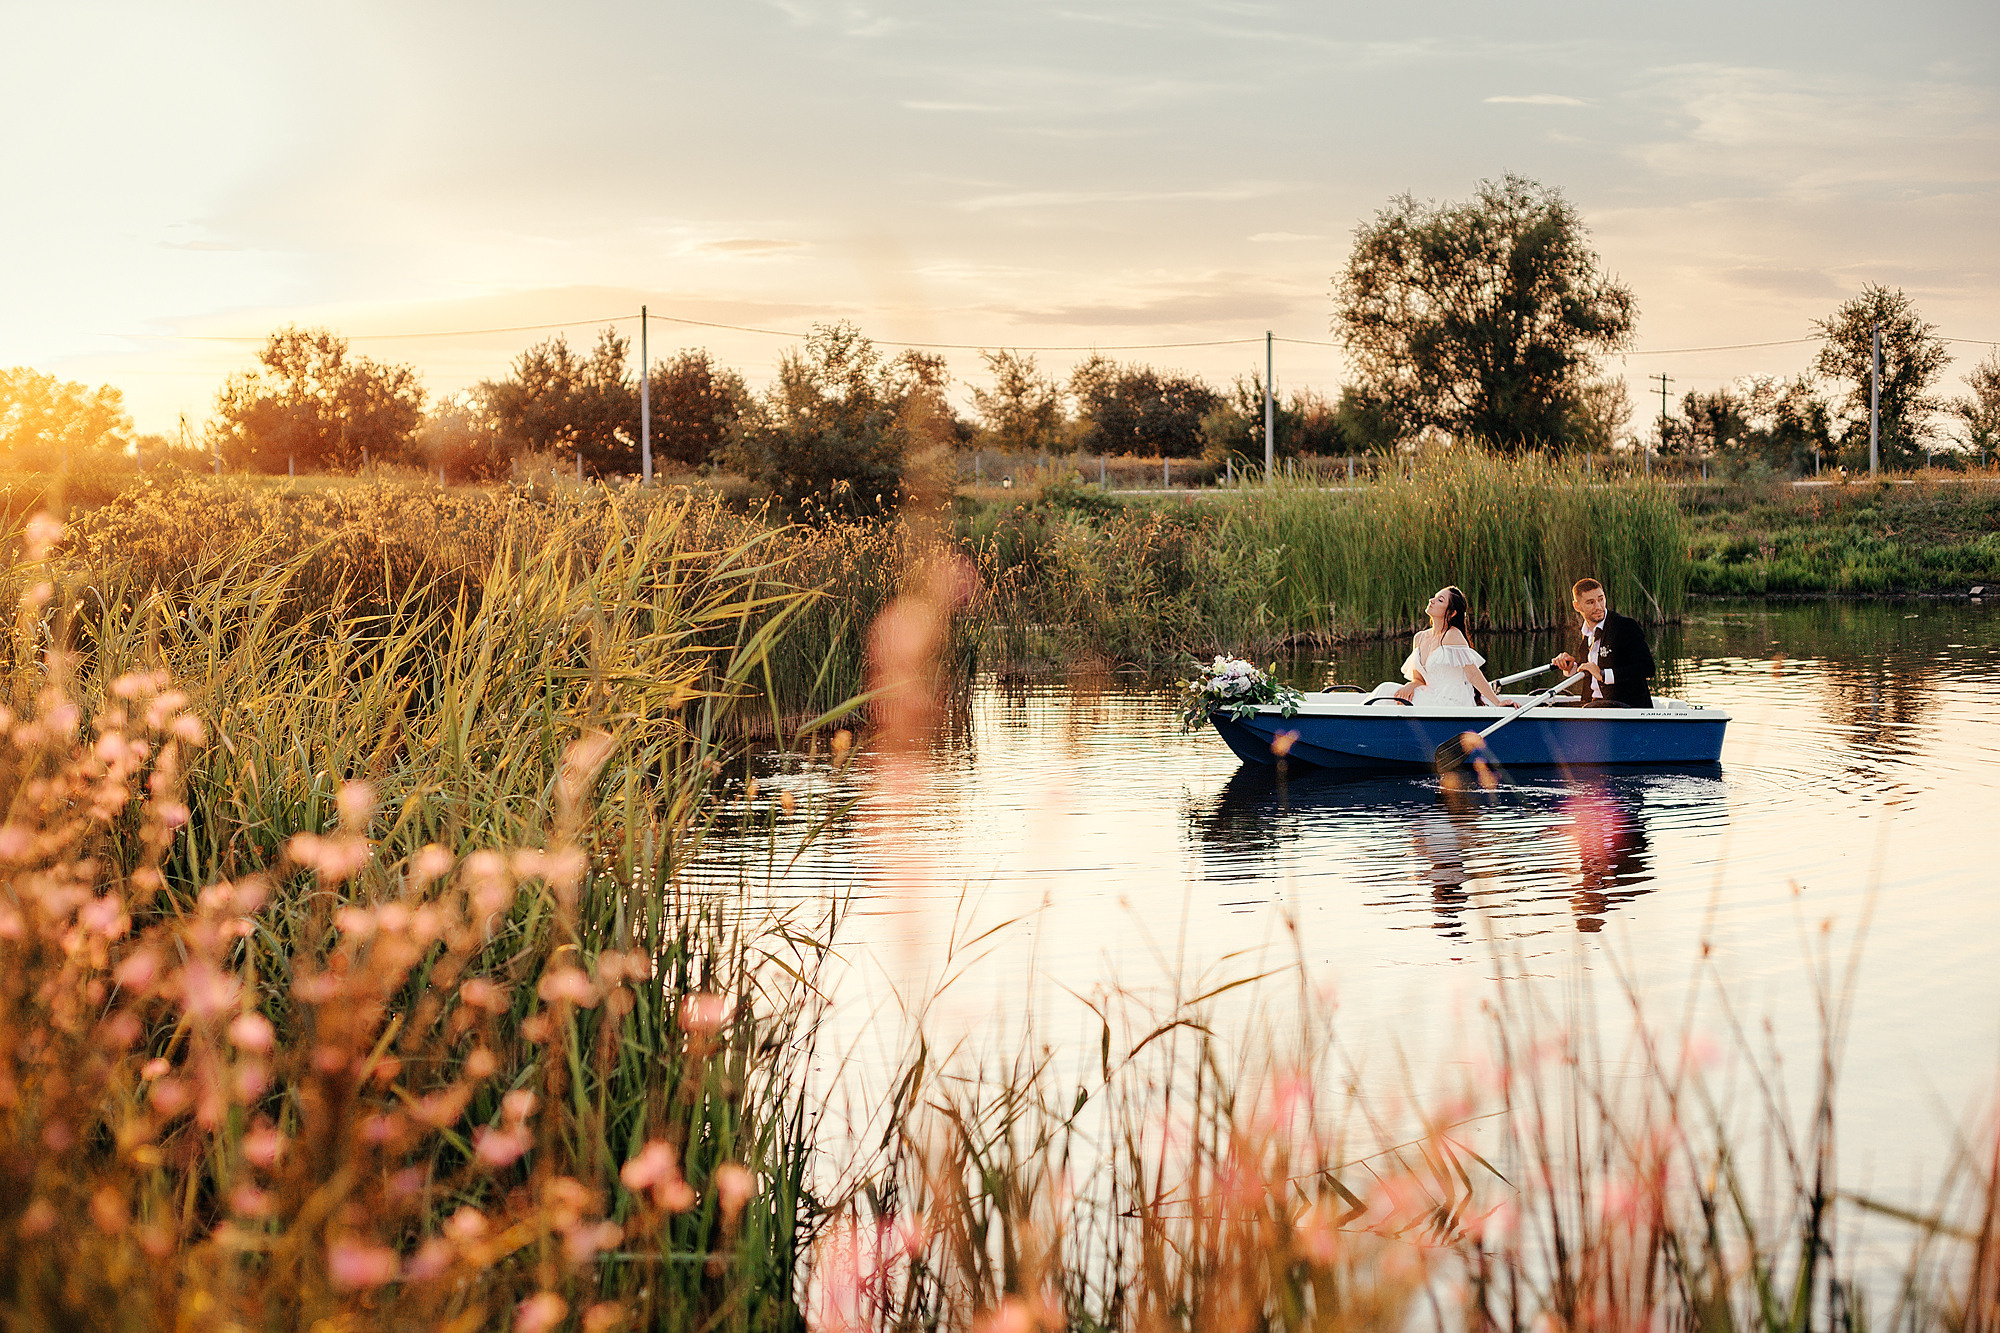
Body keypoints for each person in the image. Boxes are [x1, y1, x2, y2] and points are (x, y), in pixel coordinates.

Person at [1392, 586, 1519, 708]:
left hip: (1451, 701)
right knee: (1386, 688)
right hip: (1430, 696)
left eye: (1440, 600)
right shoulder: (1419, 638)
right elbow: (1419, 679)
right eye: (1435, 597)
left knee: (1389, 696)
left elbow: (1473, 674)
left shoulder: (1452, 635)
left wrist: (1497, 702)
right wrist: (1411, 685)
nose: (1432, 600)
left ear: (1452, 613)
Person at [1552, 577, 1655, 708]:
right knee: (1549, 706)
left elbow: (1647, 668)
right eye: (1590, 602)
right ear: (1577, 606)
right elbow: (1592, 669)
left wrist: (1603, 675)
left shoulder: (1625, 626)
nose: (1598, 607)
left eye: (1601, 599)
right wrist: (1571, 667)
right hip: (1594, 704)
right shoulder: (1588, 633)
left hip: (1625, 709)